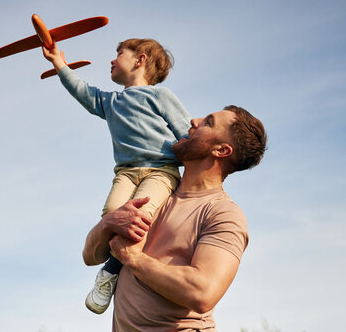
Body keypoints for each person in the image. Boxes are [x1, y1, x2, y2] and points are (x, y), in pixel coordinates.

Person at [82, 105, 267, 331]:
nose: (194, 121)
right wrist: (108, 222)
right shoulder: (154, 193)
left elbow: (202, 292)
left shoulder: (223, 213)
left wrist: (133, 258)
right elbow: (90, 256)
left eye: (208, 122)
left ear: (221, 150)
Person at [42, 38, 191, 314]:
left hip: (160, 171)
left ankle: (109, 272)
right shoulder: (110, 101)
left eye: (119, 53)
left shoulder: (161, 97)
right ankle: (109, 261)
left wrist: (196, 163)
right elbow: (82, 91)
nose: (112, 60)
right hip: (126, 173)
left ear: (140, 60)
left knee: (140, 217)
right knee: (112, 214)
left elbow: (186, 133)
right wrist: (58, 63)